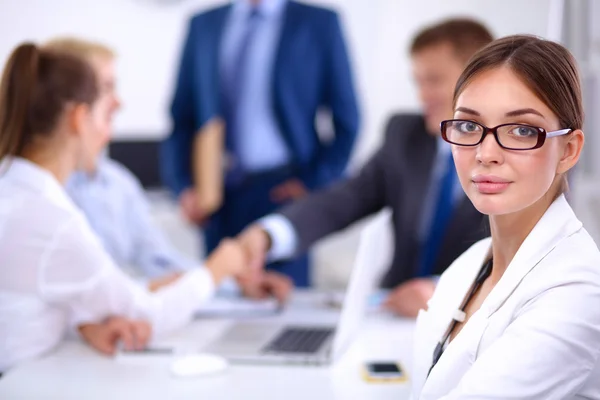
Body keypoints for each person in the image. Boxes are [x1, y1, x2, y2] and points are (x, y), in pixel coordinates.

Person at [0, 43, 248, 373]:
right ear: (79, 118)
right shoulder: (55, 221)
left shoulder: (16, 187)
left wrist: (83, 323)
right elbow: (148, 314)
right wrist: (217, 269)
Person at [237, 18, 493, 317]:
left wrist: (444, 293)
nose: (423, 95)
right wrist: (269, 235)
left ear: (478, 79)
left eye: (434, 80)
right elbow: (344, 200)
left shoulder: (509, 155)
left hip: (472, 322)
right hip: (393, 311)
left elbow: (514, 258)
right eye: (418, 81)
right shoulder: (406, 134)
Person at [410, 35, 600, 399]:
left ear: (568, 150)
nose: (485, 153)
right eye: (468, 126)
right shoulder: (469, 265)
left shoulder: (578, 292)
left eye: (522, 130)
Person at [44, 38, 291, 300]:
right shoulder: (47, 190)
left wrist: (232, 284)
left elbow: (159, 260)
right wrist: (198, 277)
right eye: (106, 88)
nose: (118, 103)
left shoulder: (118, 182)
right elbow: (83, 293)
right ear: (71, 105)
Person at [161, 0, 360, 287]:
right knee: (218, 297)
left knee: (282, 299)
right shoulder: (204, 24)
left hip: (284, 193)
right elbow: (182, 117)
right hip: (216, 195)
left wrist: (314, 183)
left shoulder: (319, 23)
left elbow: (347, 120)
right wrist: (183, 186)